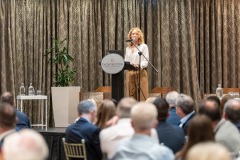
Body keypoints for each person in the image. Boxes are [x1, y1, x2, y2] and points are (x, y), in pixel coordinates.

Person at [125, 27, 149, 101]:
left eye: (136, 34)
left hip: (140, 72)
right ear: (130, 36)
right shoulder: (128, 48)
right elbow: (126, 60)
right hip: (130, 73)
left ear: (139, 36)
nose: (134, 35)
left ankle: (142, 111)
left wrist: (139, 65)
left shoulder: (143, 46)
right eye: (132, 34)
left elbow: (146, 61)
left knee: (142, 95)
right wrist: (128, 64)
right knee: (131, 95)